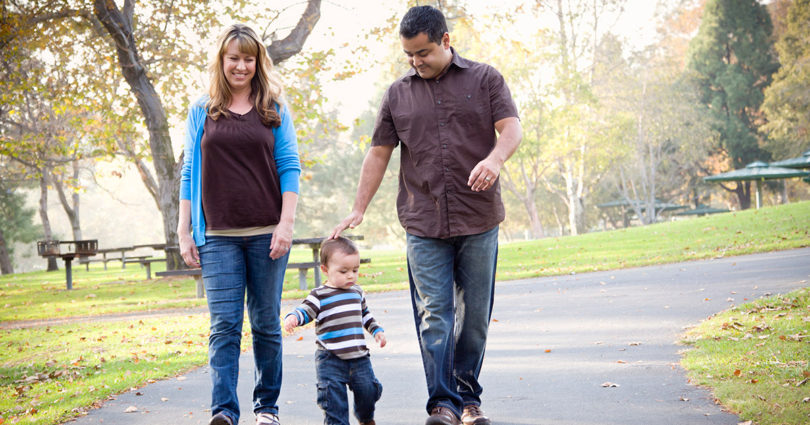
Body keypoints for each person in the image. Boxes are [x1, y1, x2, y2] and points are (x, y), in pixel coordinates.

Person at [330, 6, 522, 425]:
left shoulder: (485, 78)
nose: (416, 61)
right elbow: (378, 152)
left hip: (478, 219)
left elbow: (511, 128)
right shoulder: (397, 94)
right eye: (409, 55)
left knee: (473, 319)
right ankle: (444, 404)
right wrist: (358, 208)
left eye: (424, 52)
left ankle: (469, 398)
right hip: (423, 223)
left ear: (446, 41)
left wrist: (494, 159)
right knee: (434, 313)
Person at [177, 23, 301, 425]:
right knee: (224, 327)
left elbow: (289, 167)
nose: (241, 66)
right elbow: (189, 172)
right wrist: (184, 230)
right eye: (234, 58)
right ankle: (224, 411)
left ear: (257, 62)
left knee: (266, 323)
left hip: (267, 233)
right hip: (216, 237)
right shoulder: (202, 109)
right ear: (222, 61)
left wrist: (286, 224)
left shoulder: (274, 108)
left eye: (248, 58)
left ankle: (267, 408)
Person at [283, 237, 386, 425]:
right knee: (333, 405)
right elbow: (305, 310)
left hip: (359, 358)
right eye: (344, 271)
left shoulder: (357, 292)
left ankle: (365, 418)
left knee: (368, 391)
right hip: (330, 359)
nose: (350, 276)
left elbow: (365, 315)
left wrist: (376, 330)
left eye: (355, 270)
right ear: (325, 270)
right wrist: (294, 317)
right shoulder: (319, 295)